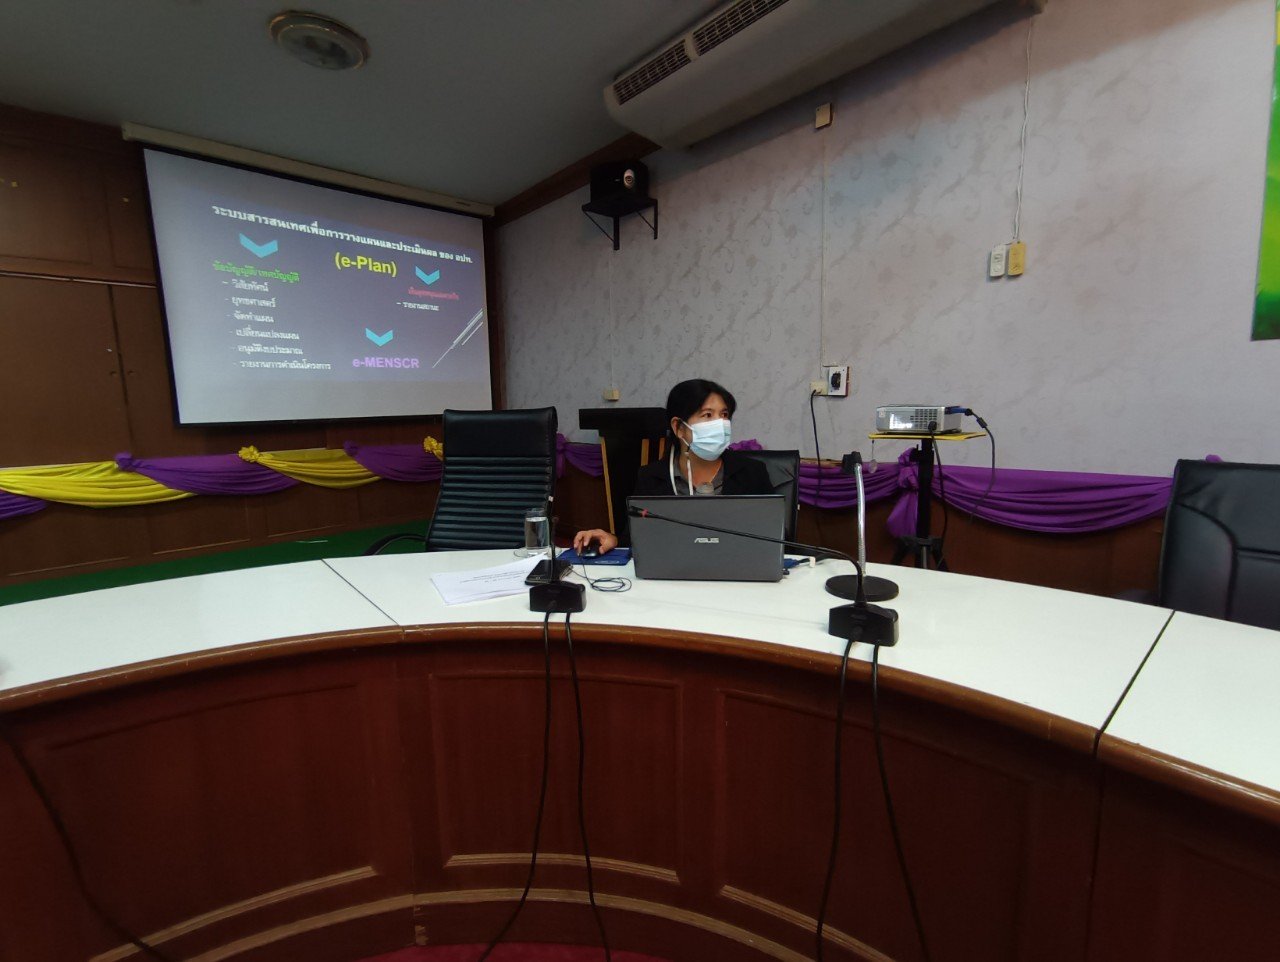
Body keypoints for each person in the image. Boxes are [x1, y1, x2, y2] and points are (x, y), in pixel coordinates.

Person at [572, 378, 773, 554]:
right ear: (678, 427)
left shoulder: (752, 472)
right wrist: (613, 540)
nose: (720, 424)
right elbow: (636, 539)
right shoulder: (651, 478)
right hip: (675, 574)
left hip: (738, 572)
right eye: (707, 415)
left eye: (724, 414)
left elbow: (778, 537)